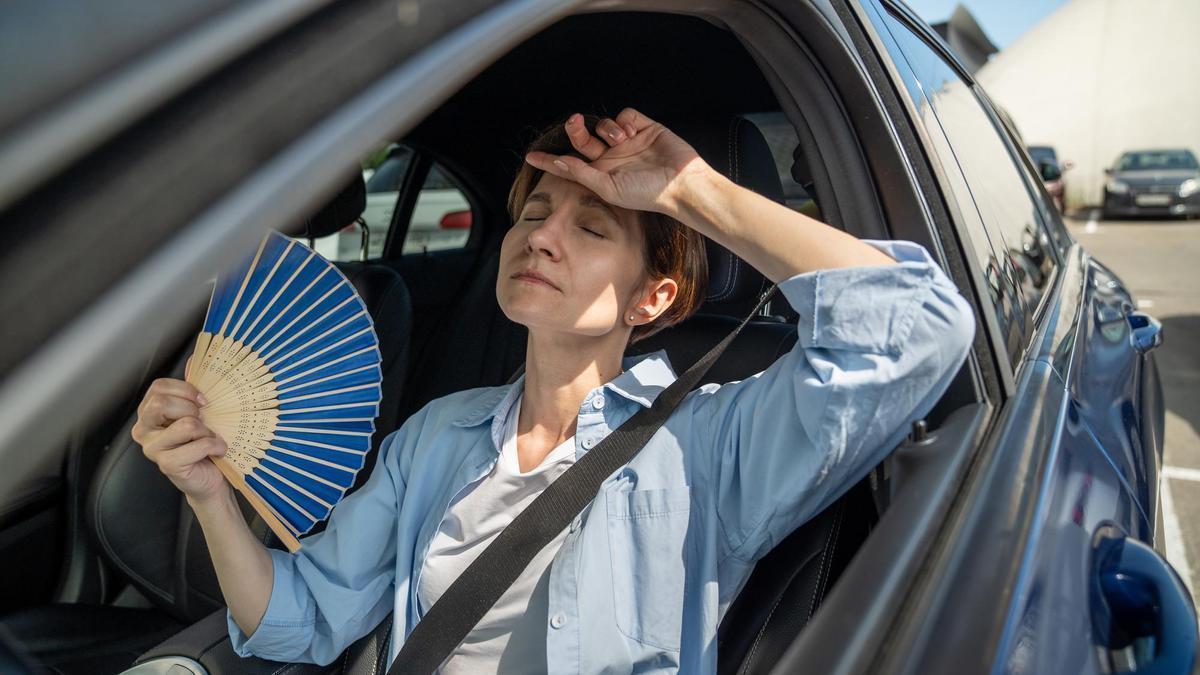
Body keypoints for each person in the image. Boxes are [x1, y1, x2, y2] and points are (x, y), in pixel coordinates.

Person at [133, 107, 975, 672]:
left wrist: (690, 191)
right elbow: (303, 618)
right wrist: (209, 493)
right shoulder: (436, 437)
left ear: (655, 298)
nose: (542, 235)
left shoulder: (708, 448)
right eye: (534, 212)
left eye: (592, 224)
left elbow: (918, 324)